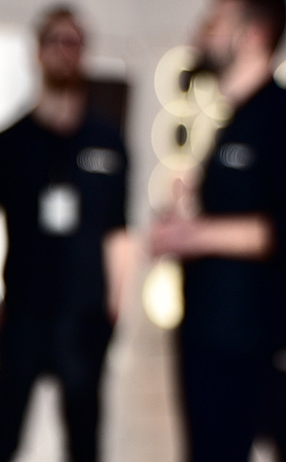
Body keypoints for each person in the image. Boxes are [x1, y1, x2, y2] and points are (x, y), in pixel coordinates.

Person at [0, 7, 131, 462]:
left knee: (84, 440)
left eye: (74, 42)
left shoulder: (108, 141)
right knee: (2, 438)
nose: (65, 52)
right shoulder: (9, 143)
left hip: (84, 319)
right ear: (37, 52)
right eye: (56, 41)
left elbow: (119, 231)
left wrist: (114, 306)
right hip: (23, 314)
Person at [150, 0, 286, 459]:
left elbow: (278, 228)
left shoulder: (277, 116)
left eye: (217, 23)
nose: (203, 32)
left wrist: (193, 235)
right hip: (204, 329)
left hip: (245, 339)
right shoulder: (229, 117)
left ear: (253, 35)